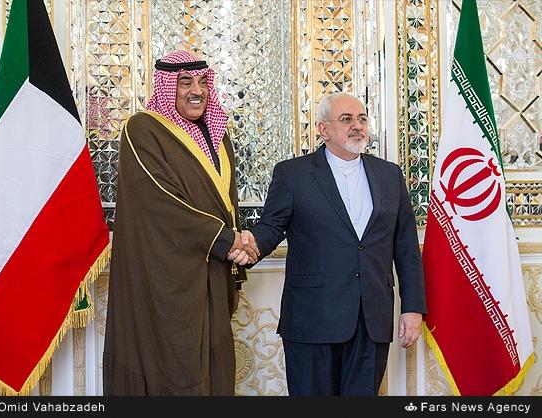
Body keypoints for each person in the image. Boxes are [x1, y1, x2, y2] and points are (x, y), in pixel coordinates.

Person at [241, 92, 426, 396]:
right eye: (346, 119)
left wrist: (413, 308)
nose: (357, 126)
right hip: (313, 318)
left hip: (371, 319)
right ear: (323, 129)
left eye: (362, 119)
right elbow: (271, 227)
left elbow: (405, 246)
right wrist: (252, 244)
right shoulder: (293, 174)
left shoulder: (389, 174)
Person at [103, 50, 259, 395]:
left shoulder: (218, 135)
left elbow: (225, 200)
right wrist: (226, 241)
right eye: (185, 82)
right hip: (166, 277)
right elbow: (162, 203)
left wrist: (238, 242)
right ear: (166, 86)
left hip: (213, 269)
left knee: (215, 371)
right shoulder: (142, 130)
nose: (197, 91)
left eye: (202, 82)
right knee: (173, 370)